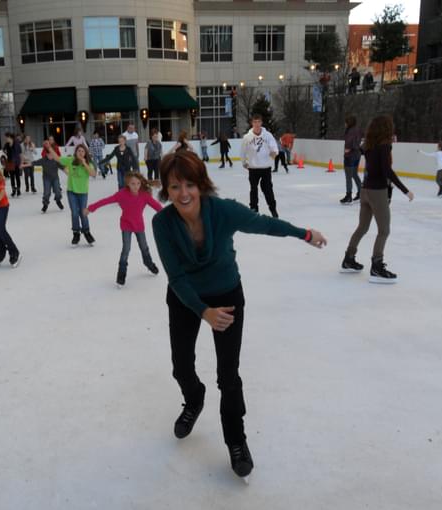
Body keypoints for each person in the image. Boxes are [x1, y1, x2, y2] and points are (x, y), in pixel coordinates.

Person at [151, 151, 326, 480]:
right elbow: (176, 278)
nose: (183, 193)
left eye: (190, 184)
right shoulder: (162, 223)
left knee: (228, 376)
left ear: (201, 184)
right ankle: (194, 399)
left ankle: (236, 440)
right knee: (181, 366)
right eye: (175, 187)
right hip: (186, 299)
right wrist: (203, 311)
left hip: (227, 296)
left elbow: (264, 224)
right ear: (166, 189)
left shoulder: (223, 211)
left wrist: (303, 233)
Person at [341, 115, 414, 283]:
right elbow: (387, 171)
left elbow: (358, 149)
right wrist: (405, 190)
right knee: (384, 230)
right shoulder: (384, 146)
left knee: (362, 227)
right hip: (377, 192)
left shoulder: (368, 145)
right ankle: (377, 266)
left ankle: (348, 258)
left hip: (365, 190)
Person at [84, 171, 163, 287]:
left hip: (139, 226)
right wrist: (91, 208)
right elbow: (105, 201)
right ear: (127, 184)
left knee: (144, 247)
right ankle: (121, 274)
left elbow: (157, 206)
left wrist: (168, 216)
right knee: (126, 249)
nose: (136, 186)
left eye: (138, 183)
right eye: (133, 184)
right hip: (126, 225)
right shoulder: (122, 194)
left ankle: (149, 263)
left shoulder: (144, 195)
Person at [241, 114, 279, 217]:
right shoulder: (247, 137)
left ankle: (273, 209)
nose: (257, 124)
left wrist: (274, 153)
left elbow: (274, 147)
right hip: (253, 168)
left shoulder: (268, 135)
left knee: (268, 189)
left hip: (266, 168)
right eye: (255, 122)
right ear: (252, 123)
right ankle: (253, 210)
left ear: (261, 123)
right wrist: (244, 162)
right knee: (253, 189)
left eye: (258, 122)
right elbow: (243, 151)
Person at [62, 144, 97, 245]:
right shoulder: (71, 160)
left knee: (83, 212)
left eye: (82, 151)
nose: (81, 153)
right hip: (71, 191)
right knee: (74, 213)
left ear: (85, 153)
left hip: (83, 192)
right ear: (76, 153)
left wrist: (84, 163)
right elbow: (59, 160)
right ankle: (76, 233)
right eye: (79, 151)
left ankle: (86, 232)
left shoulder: (88, 163)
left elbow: (93, 174)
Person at [32, 143, 66, 213]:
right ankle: (45, 204)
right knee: (46, 192)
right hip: (46, 179)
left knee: (58, 191)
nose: (51, 156)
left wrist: (67, 169)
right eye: (49, 154)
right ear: (46, 154)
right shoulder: (43, 160)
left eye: (52, 154)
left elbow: (62, 167)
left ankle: (58, 200)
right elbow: (34, 163)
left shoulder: (56, 160)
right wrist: (25, 164)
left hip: (55, 178)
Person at [341, 115, 363, 204]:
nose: (345, 124)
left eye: (346, 122)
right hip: (357, 155)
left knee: (348, 176)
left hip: (350, 156)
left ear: (349, 123)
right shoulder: (358, 130)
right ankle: (361, 192)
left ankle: (348, 195)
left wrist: (348, 149)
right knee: (354, 174)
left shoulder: (350, 131)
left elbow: (349, 143)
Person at [2, 133, 22, 197]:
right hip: (10, 162)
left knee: (17, 177)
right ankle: (13, 190)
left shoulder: (17, 144)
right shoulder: (6, 144)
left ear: (10, 137)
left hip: (16, 162)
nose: (6, 139)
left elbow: (20, 154)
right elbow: (4, 151)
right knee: (12, 177)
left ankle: (18, 190)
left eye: (6, 137)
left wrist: (21, 163)